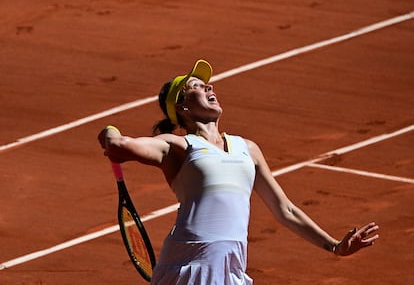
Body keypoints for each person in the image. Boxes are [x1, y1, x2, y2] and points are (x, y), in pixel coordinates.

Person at [98, 59, 379, 284]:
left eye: (209, 85)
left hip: (232, 268)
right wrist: (109, 133)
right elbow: (118, 144)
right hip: (189, 268)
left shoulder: (248, 149)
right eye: (198, 86)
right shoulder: (178, 147)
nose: (210, 88)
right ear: (182, 107)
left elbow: (285, 210)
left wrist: (334, 246)